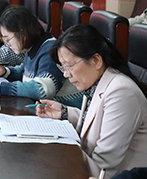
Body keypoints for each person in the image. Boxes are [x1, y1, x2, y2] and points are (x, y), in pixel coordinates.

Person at [35, 24, 147, 178]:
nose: (66, 74)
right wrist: (64, 113)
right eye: (63, 68)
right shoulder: (96, 81)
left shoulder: (122, 92)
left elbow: (103, 165)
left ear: (95, 60)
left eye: (69, 66)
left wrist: (53, 158)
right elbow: (98, 120)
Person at [0, 5, 78, 101]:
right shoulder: (32, 47)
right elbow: (23, 71)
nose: (7, 44)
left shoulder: (49, 50)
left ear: (22, 33)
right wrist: (4, 72)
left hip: (60, 113)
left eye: (8, 39)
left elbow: (42, 89)